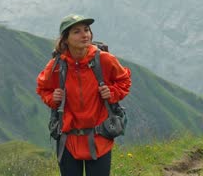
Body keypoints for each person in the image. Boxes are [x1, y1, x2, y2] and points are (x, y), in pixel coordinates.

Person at [36, 14, 132, 176]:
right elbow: (42, 88)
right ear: (65, 39)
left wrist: (112, 93)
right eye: (77, 31)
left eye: (86, 30)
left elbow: (124, 80)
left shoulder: (104, 60)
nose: (84, 35)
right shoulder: (57, 66)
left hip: (99, 138)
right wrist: (53, 99)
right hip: (68, 140)